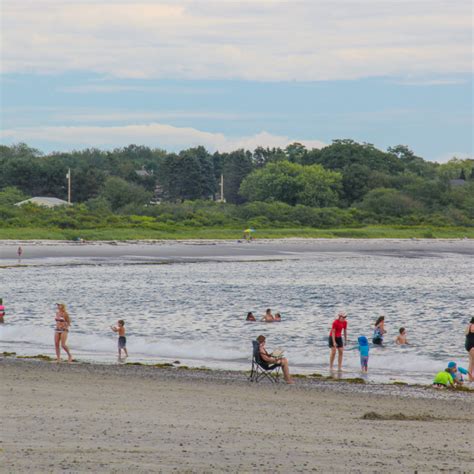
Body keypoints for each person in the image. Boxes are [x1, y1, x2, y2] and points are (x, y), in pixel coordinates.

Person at [465, 317, 474, 382]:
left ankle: (470, 378)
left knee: (471, 362)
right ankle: (471, 378)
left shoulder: (468, 326)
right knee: (472, 362)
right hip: (472, 346)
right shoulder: (473, 326)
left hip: (469, 345)